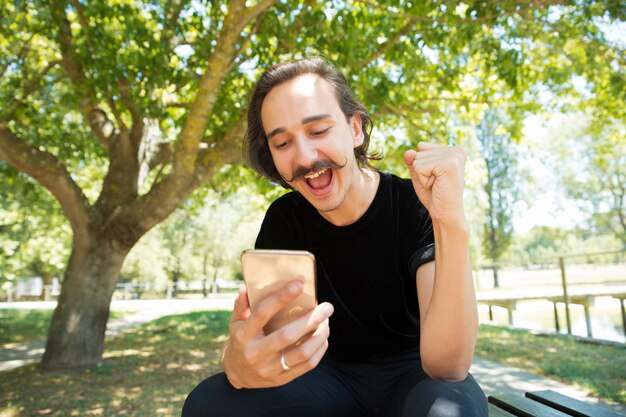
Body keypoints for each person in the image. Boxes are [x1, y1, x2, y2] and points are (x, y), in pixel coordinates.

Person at [182, 57, 487, 417]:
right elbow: (270, 345)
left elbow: (446, 369)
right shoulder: (284, 220)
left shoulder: (415, 204)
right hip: (324, 378)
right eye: (282, 143)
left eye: (318, 130)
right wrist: (236, 360)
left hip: (417, 379)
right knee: (207, 404)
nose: (305, 156)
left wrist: (450, 220)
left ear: (355, 129)